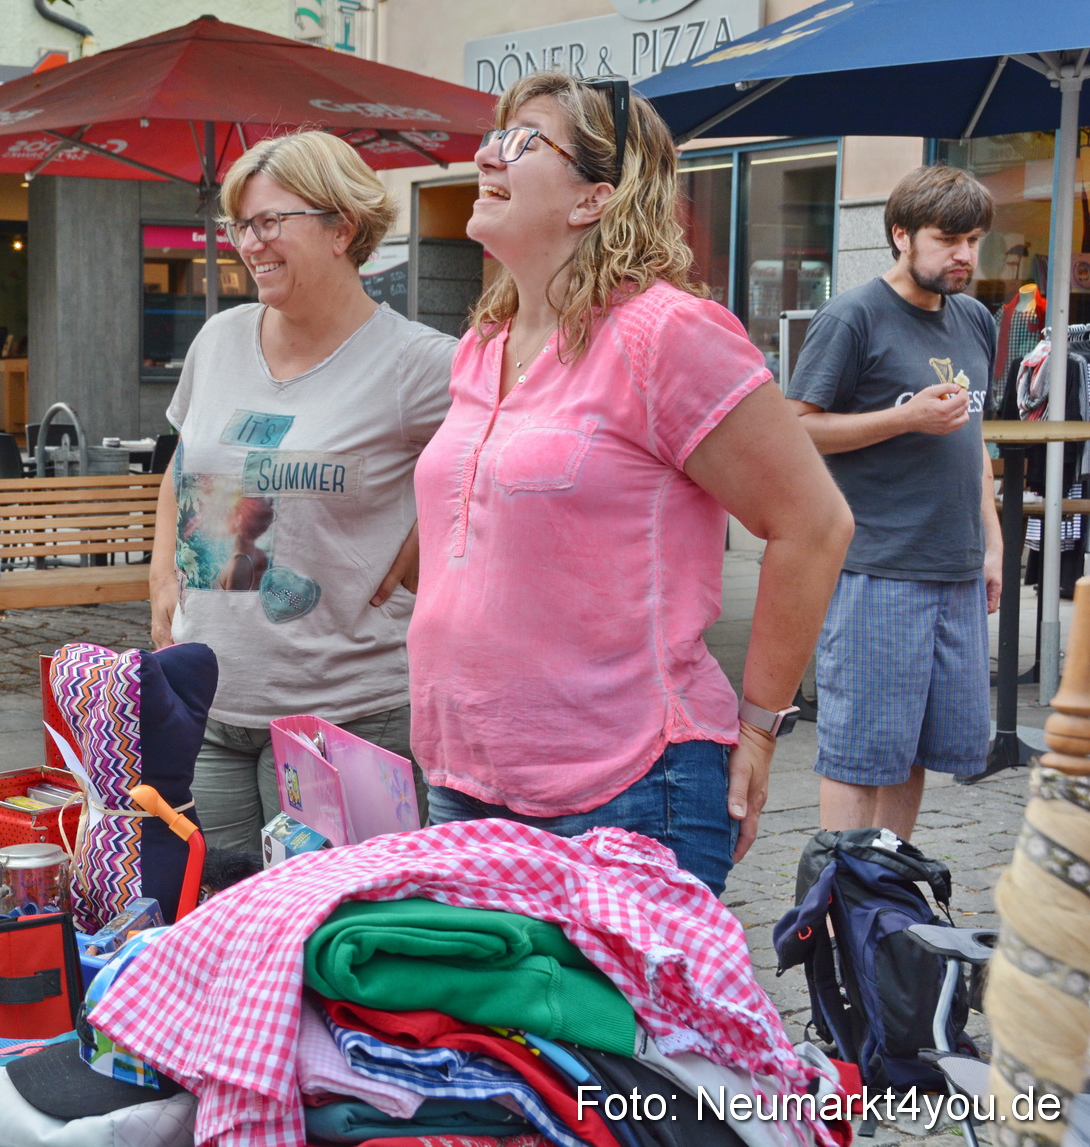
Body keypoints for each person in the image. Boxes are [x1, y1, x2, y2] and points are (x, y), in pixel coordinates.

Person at [407, 71, 854, 896]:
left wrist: (758, 731)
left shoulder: (667, 332)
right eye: (492, 135)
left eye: (523, 140)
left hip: (626, 787)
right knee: (490, 1032)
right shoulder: (484, 342)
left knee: (626, 1033)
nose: (487, 154)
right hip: (464, 777)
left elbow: (815, 525)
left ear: (593, 199)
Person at [148, 130, 457, 855]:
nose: (248, 244)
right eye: (238, 226)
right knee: (216, 922)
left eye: (268, 222)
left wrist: (428, 539)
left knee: (336, 940)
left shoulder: (418, 362)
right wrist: (162, 566)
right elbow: (185, 457)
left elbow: (507, 458)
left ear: (340, 228)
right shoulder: (218, 339)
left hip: (349, 714)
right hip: (209, 706)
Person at [787, 165, 1000, 840]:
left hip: (957, 567)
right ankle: (841, 903)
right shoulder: (853, 315)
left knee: (915, 751)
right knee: (859, 753)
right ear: (901, 234)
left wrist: (991, 543)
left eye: (973, 239)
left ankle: (890, 892)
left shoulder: (975, 319)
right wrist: (903, 418)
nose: (963, 254)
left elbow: (975, 439)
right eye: (948, 239)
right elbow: (795, 428)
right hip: (877, 565)